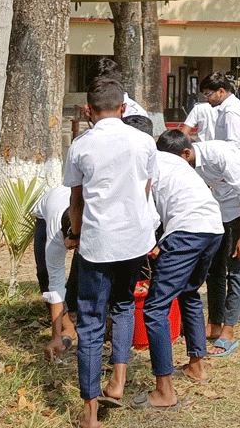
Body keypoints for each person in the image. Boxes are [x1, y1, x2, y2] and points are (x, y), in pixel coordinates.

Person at [63, 78, 157, 427]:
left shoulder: (81, 145)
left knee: (90, 323)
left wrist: (74, 234)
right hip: (134, 240)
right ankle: (117, 381)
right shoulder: (144, 141)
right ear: (123, 108)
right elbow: (145, 192)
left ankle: (89, 414)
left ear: (88, 110)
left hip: (98, 242)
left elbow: (77, 200)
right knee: (122, 307)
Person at [138, 136, 225, 409]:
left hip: (186, 231)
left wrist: (149, 243)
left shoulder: (148, 164)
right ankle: (197, 366)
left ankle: (165, 392)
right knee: (189, 293)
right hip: (213, 228)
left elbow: (148, 211)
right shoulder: (182, 165)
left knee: (154, 309)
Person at [158, 130, 240, 355]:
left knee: (237, 269)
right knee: (214, 269)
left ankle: (228, 331)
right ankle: (215, 324)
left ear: (186, 153)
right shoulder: (186, 164)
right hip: (218, 209)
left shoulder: (220, 155)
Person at [32, 185, 79, 362]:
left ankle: (73, 308)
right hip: (46, 213)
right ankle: (66, 324)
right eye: (72, 246)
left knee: (85, 263)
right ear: (63, 237)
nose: (74, 250)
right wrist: (56, 336)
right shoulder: (54, 237)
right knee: (44, 271)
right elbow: (56, 284)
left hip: (76, 209)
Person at [200, 71, 240, 167]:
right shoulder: (225, 108)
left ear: (221, 91)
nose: (206, 99)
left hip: (238, 168)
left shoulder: (232, 110)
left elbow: (233, 146)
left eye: (208, 95)